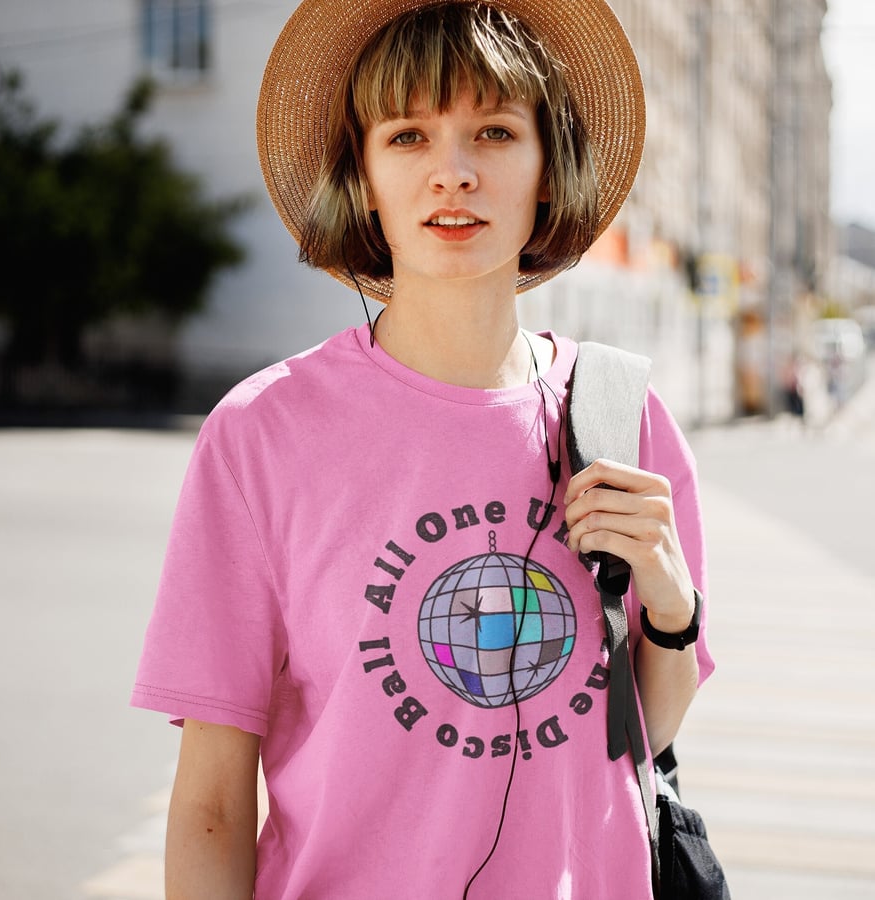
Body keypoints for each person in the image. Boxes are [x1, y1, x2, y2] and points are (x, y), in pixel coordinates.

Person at [131, 1, 715, 897]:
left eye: (495, 132)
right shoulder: (262, 434)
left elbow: (641, 739)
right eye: (407, 137)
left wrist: (670, 606)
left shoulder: (621, 414)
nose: (454, 172)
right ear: (363, 178)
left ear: (548, 169)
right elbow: (211, 801)